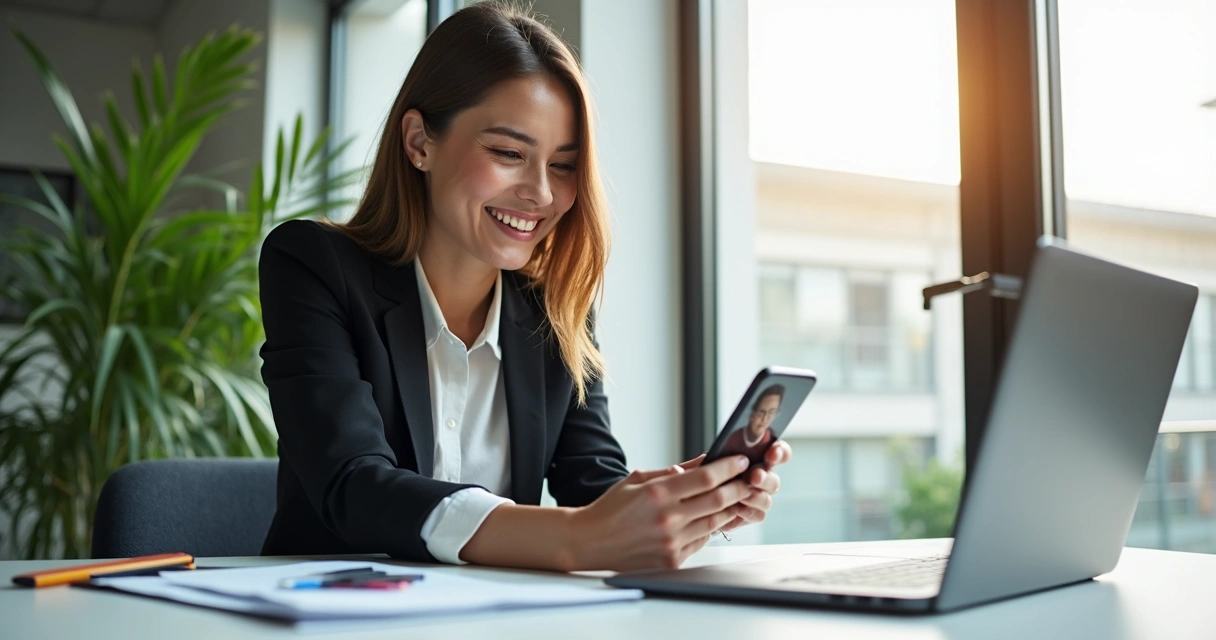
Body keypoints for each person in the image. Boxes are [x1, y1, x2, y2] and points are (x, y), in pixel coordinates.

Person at [256, 1, 792, 573]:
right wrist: (573, 538)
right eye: (509, 153)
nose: (541, 193)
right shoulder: (313, 263)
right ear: (419, 143)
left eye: (563, 165)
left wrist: (687, 499)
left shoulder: (553, 305)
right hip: (327, 602)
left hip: (502, 610)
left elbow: (591, 482)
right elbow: (353, 485)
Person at [721, 385, 784, 462]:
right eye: (761, 412)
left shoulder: (773, 441)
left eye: (771, 412)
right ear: (752, 413)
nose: (764, 419)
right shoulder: (732, 439)